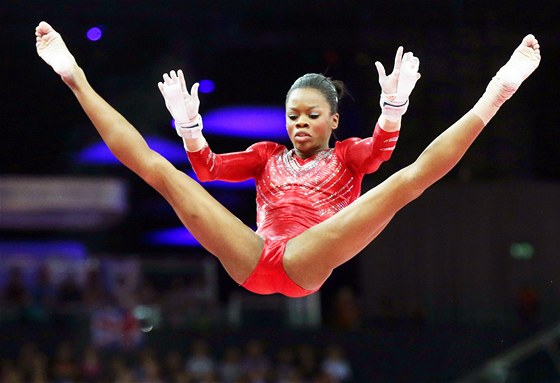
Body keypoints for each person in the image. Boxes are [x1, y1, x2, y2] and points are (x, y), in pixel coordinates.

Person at [35, 21, 541, 299]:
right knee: (160, 171)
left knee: (408, 183)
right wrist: (190, 130)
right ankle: (74, 75)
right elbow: (206, 171)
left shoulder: (349, 155)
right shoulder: (265, 154)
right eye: (292, 114)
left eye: (312, 115)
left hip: (306, 261)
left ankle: (498, 91)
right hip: (254, 257)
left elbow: (385, 155)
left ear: (334, 120)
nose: (299, 122)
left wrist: (393, 109)